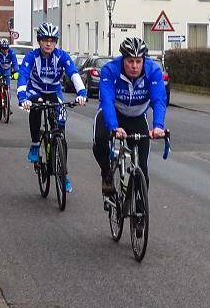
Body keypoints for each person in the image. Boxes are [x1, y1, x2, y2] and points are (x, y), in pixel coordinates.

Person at [92, 37, 167, 195]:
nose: (134, 66)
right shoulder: (110, 70)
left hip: (137, 116)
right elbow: (107, 100)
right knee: (100, 141)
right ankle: (106, 173)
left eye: (138, 61)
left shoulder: (153, 71)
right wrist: (114, 127)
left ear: (143, 60)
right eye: (130, 61)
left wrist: (158, 126)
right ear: (123, 59)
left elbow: (159, 100)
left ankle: (140, 215)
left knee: (142, 169)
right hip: (113, 113)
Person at [17, 23, 87, 192]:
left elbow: (74, 73)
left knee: (60, 131)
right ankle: (35, 144)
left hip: (55, 92)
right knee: (35, 108)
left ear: (56, 42)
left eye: (52, 40)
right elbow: (23, 77)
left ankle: (64, 174)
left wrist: (82, 92)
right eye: (44, 40)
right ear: (39, 41)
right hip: (36, 90)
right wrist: (22, 97)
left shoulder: (62, 56)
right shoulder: (31, 57)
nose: (48, 44)